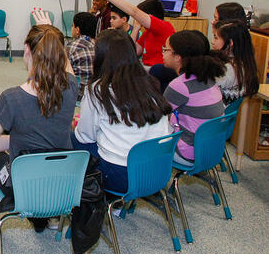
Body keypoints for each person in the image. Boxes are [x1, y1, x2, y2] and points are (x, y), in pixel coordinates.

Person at [0, 10, 78, 237]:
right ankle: (42, 218)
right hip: (63, 185)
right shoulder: (71, 86)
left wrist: (18, 138)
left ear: (26, 50)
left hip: (25, 187)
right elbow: (66, 67)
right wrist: (52, 35)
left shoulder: (12, 98)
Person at [72, 30, 172, 193]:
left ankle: (79, 194)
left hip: (121, 176)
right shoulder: (150, 83)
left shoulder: (98, 90)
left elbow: (85, 136)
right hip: (157, 169)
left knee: (71, 138)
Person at [162, 30, 226, 166]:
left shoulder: (180, 85)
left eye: (165, 49)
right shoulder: (207, 77)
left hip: (188, 153)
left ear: (178, 57)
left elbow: (157, 116)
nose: (162, 52)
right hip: (211, 150)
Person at [94, 0, 175, 68]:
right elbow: (131, 52)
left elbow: (134, 12)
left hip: (157, 71)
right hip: (146, 68)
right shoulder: (147, 32)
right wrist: (136, 29)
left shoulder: (164, 27)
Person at [211, 20, 259, 105]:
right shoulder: (244, 65)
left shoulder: (228, 70)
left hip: (216, 115)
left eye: (216, 38)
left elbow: (206, 88)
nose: (212, 41)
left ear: (230, 43)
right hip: (227, 116)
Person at [67, 12, 96, 100]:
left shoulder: (71, 47)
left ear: (77, 30)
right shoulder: (99, 45)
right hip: (95, 92)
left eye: (73, 26)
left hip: (78, 93)